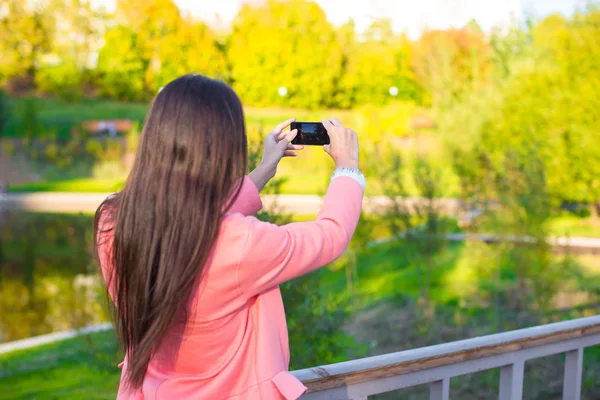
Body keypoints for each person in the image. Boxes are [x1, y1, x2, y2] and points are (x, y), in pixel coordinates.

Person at [94, 74, 365, 400]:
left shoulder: (112, 221)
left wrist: (265, 168)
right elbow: (330, 235)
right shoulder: (239, 242)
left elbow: (191, 219)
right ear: (223, 147)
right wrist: (347, 168)